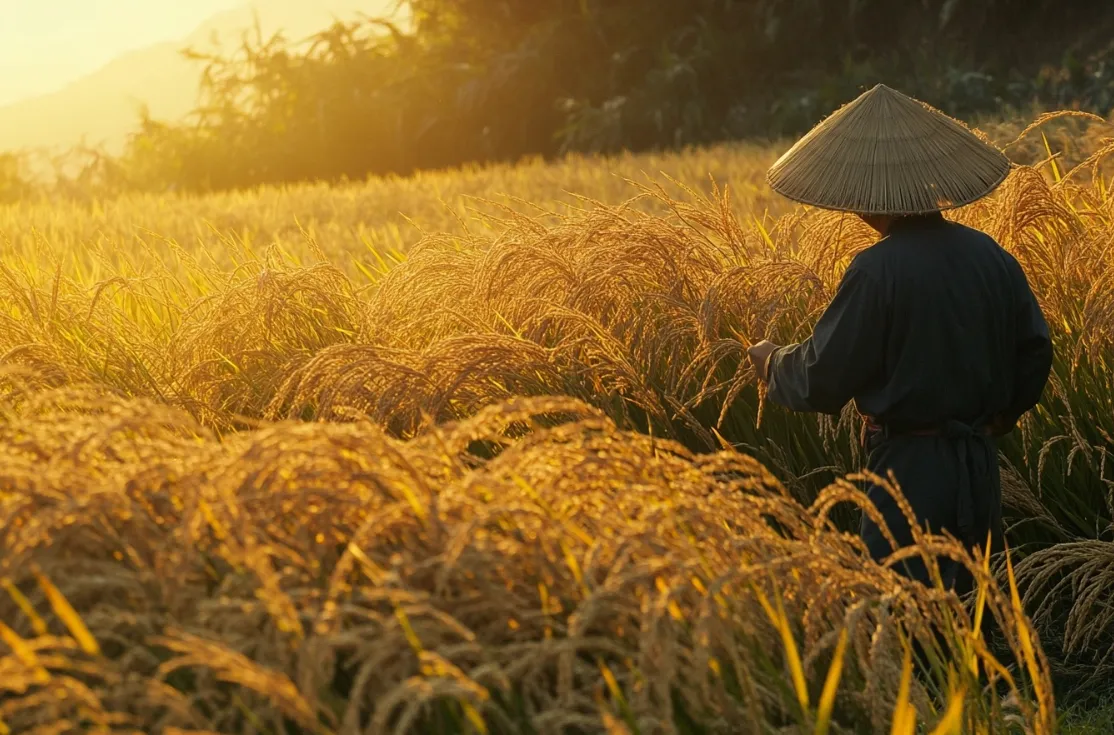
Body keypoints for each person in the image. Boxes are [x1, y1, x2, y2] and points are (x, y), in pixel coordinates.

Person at [747, 84, 1054, 600]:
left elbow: (824, 376)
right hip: (977, 467)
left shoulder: (876, 270)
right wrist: (1005, 414)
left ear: (866, 197)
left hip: (910, 473)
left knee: (904, 612)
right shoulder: (991, 256)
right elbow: (1035, 349)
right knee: (974, 611)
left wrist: (772, 362)